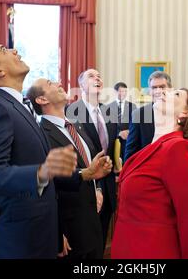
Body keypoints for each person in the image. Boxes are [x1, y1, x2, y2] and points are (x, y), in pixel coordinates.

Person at [0, 44, 111, 258]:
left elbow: (46, 174)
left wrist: (85, 174)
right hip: (21, 238)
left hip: (40, 232)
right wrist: (42, 171)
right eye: (4, 51)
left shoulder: (19, 108)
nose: (14, 51)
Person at [111, 88, 188, 259]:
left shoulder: (178, 148)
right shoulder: (150, 149)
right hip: (128, 248)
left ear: (185, 113)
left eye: (177, 94)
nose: (166, 92)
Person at [27, 78, 105, 259]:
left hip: (93, 220)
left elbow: (91, 165)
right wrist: (56, 230)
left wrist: (98, 187)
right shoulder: (39, 134)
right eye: (50, 83)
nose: (58, 82)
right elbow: (48, 183)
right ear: (41, 100)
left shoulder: (76, 125)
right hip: (69, 229)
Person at [65, 69, 117, 253]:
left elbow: (112, 147)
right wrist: (95, 187)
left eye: (99, 76)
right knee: (83, 245)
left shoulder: (110, 111)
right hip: (84, 186)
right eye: (91, 76)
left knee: (101, 244)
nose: (97, 78)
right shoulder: (70, 111)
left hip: (109, 188)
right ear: (82, 85)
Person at [124, 71, 172, 161]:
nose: (158, 91)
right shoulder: (139, 114)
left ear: (170, 89)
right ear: (150, 91)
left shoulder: (179, 112)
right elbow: (130, 153)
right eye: (154, 88)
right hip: (147, 171)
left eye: (162, 87)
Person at [107, 82, 137, 161]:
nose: (123, 94)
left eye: (124, 91)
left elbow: (135, 124)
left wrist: (129, 131)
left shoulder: (133, 106)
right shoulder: (107, 107)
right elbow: (107, 126)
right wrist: (119, 133)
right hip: (113, 140)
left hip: (128, 140)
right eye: (120, 91)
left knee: (127, 161)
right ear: (115, 92)